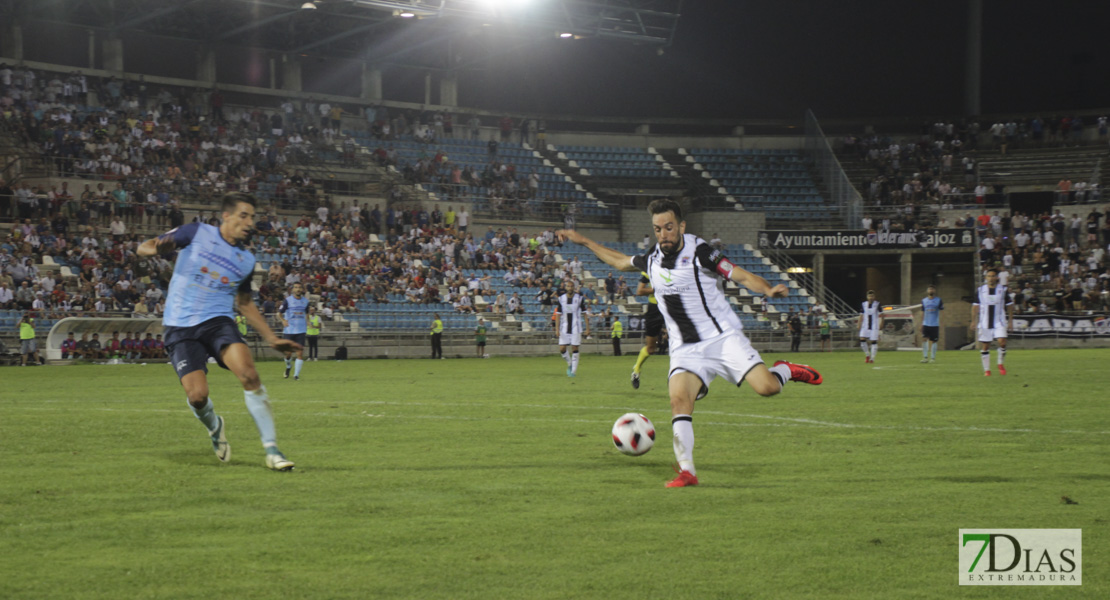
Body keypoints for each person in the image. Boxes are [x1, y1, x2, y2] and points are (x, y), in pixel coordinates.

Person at [557, 199, 821, 488]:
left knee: (767, 388)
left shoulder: (702, 252)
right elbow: (620, 261)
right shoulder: (653, 258)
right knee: (679, 401)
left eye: (669, 228)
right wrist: (581, 240)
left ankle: (784, 369)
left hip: (721, 338)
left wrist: (768, 289)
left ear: (681, 226)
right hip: (685, 348)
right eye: (658, 229)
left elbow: (740, 274)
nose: (663, 234)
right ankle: (687, 471)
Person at [137, 192, 300, 471]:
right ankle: (215, 427)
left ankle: (273, 450)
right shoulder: (196, 232)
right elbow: (145, 247)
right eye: (243, 215)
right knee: (197, 396)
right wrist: (158, 249)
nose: (249, 222)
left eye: (252, 217)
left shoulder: (246, 260)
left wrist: (271, 338)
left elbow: (245, 303)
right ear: (226, 216)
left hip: (218, 322)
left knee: (249, 374)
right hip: (180, 325)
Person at [970, 268, 1013, 376]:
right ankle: (987, 370)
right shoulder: (980, 290)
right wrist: (973, 321)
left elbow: (1010, 305)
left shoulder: (1003, 290)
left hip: (999, 321)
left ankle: (1000, 363)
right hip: (985, 322)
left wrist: (1011, 320)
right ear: (985, 278)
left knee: (1002, 342)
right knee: (985, 346)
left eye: (993, 276)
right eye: (989, 276)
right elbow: (975, 307)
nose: (991, 278)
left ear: (997, 278)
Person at [630, 271, 663, 390]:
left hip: (672, 306)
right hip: (655, 309)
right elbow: (640, 291)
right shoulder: (651, 269)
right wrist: (659, 289)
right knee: (651, 348)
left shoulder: (678, 265)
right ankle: (636, 370)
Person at [554, 280, 589, 377]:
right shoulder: (561, 299)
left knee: (574, 347)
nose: (570, 288)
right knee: (562, 348)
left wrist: (587, 328)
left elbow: (585, 314)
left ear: (574, 287)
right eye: (568, 286)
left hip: (576, 327)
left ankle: (573, 371)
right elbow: (558, 315)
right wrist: (556, 329)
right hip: (564, 327)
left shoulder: (579, 298)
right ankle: (569, 363)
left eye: (571, 286)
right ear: (566, 287)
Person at [279, 282, 309, 380]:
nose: (298, 289)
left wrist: (308, 322)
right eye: (296, 287)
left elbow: (307, 313)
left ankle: (296, 375)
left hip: (301, 330)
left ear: (302, 289)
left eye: (300, 287)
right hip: (289, 330)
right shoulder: (287, 301)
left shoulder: (306, 301)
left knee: (299, 353)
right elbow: (278, 314)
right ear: (292, 290)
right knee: (288, 354)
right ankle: (288, 366)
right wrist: (283, 320)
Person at [920, 284, 944, 363]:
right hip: (926, 323)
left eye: (932, 289)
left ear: (934, 291)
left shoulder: (938, 300)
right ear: (927, 291)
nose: (931, 291)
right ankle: (925, 357)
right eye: (930, 289)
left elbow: (942, 311)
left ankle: (933, 358)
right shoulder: (924, 301)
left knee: (934, 341)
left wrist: (942, 321)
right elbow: (922, 312)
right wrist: (921, 323)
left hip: (934, 324)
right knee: (924, 339)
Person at [859, 290, 882, 363]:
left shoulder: (877, 304)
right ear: (867, 297)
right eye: (869, 296)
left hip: (874, 325)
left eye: (872, 296)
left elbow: (882, 314)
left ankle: (872, 358)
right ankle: (867, 355)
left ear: (874, 297)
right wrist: (859, 323)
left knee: (873, 341)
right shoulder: (863, 304)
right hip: (865, 325)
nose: (870, 297)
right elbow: (861, 315)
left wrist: (882, 323)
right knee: (862, 339)